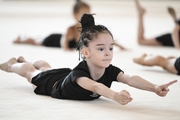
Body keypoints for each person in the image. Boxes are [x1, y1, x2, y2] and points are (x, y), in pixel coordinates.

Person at [0, 14, 177, 105]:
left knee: (46, 67)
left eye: (110, 48)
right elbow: (95, 86)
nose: (108, 53)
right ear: (85, 53)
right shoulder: (80, 74)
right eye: (101, 49)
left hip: (63, 76)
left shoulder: (110, 70)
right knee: (32, 73)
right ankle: (13, 64)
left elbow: (130, 79)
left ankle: (28, 60)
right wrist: (115, 95)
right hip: (52, 86)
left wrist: (154, 87)